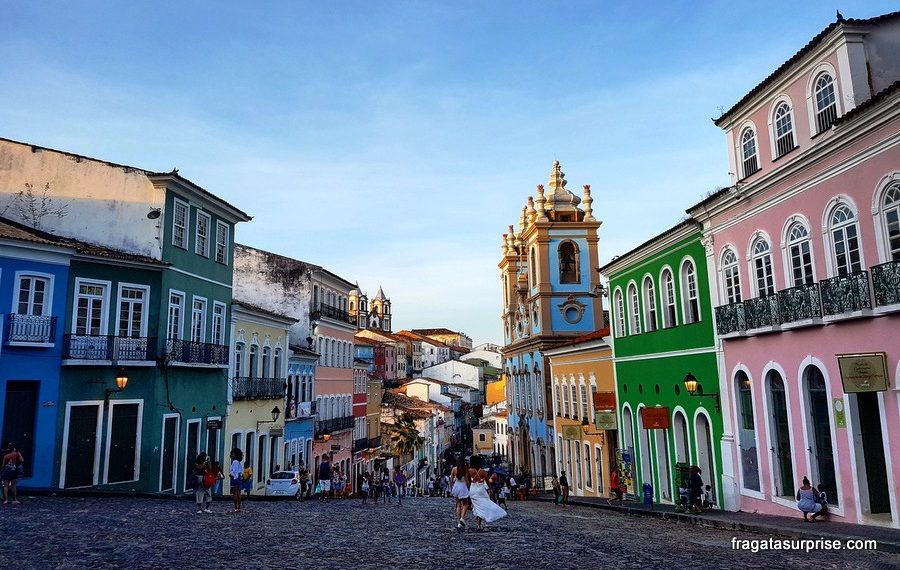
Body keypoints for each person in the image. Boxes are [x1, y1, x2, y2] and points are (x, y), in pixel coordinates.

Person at [450, 458, 471, 530]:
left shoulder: (454, 469)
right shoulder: (465, 469)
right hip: (463, 486)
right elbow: (467, 480)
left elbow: (451, 480)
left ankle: (459, 523)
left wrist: (452, 488)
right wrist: (469, 487)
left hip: (456, 486)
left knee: (458, 505)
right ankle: (462, 518)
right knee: (466, 504)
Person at [229, 448, 244, 513]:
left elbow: (234, 472)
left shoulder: (234, 462)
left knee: (235, 493)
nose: (231, 455)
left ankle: (236, 508)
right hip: (239, 478)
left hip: (235, 478)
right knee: (238, 493)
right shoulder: (238, 462)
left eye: (233, 454)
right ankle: (239, 507)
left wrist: (232, 475)